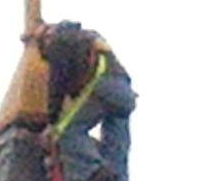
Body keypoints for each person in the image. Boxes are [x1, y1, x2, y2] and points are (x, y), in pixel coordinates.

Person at [33, 21, 136, 181]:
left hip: (103, 87)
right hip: (125, 93)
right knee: (115, 148)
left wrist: (53, 122)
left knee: (66, 133)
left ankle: (93, 171)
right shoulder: (88, 37)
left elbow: (57, 83)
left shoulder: (59, 40)